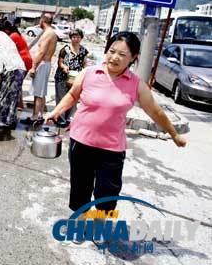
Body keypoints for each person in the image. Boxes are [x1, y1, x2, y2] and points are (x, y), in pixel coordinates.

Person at [46, 31, 187, 221]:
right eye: (112, 51)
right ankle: (80, 221)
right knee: (81, 186)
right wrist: (56, 112)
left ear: (133, 58)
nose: (114, 57)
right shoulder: (89, 73)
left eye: (122, 54)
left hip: (111, 148)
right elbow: (72, 95)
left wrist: (174, 134)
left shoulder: (136, 84)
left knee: (107, 192)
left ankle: (99, 223)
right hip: (80, 141)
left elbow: (155, 111)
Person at [25, 13, 57, 123]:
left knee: (38, 93)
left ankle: (35, 117)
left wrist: (34, 67)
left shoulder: (48, 33)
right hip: (45, 64)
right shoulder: (50, 33)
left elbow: (42, 52)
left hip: (42, 64)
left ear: (42, 20)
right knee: (41, 92)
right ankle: (40, 115)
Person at [54, 28, 89, 127]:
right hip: (62, 77)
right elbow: (60, 62)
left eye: (78, 37)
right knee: (62, 98)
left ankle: (70, 118)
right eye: (74, 37)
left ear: (81, 38)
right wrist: (64, 67)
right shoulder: (65, 49)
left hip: (76, 78)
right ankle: (60, 118)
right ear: (70, 38)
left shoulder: (83, 50)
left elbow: (85, 63)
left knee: (73, 98)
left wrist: (85, 71)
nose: (76, 39)